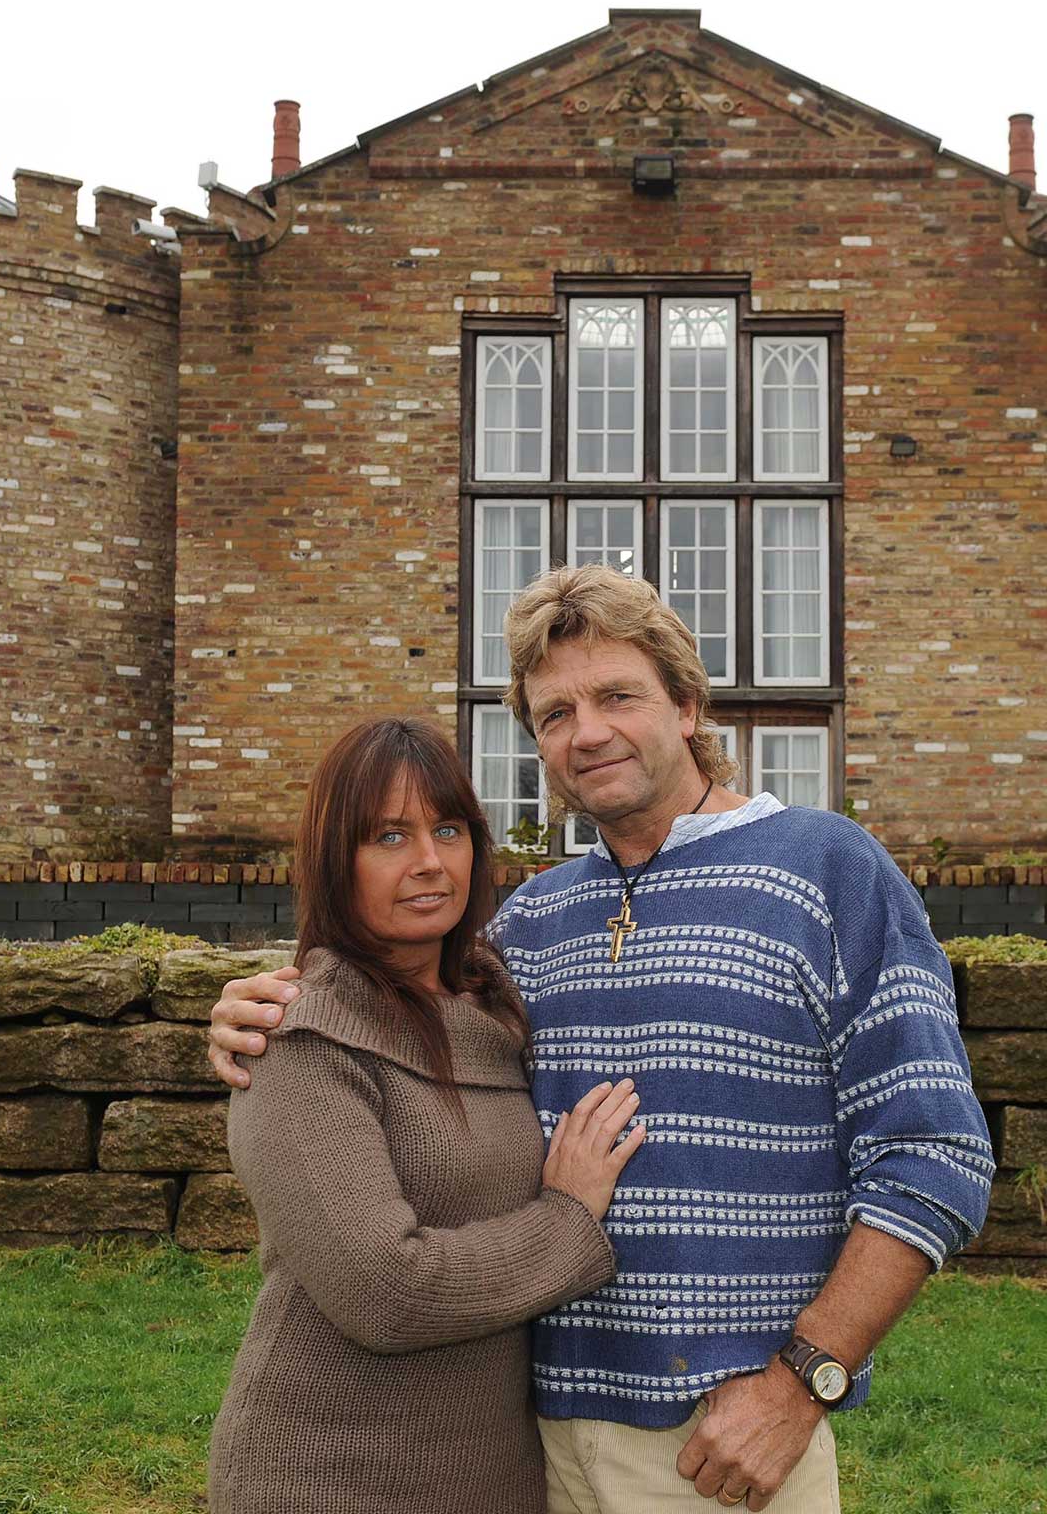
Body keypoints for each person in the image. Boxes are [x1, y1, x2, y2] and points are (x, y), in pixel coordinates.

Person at [211, 566, 994, 1514]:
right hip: (525, 1445)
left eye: (617, 695)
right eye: (553, 713)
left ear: (689, 704)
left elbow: (933, 1154)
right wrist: (252, 1009)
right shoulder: (527, 928)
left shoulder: (829, 871)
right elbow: (382, 1016)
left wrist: (801, 1383)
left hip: (727, 1438)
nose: (587, 732)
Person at [207, 714, 647, 1514]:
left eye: (447, 829)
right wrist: (570, 1221)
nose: (429, 863)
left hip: (494, 1477)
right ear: (334, 858)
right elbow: (387, 1292)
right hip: (328, 1479)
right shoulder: (301, 1041)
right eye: (388, 836)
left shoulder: (501, 1000)